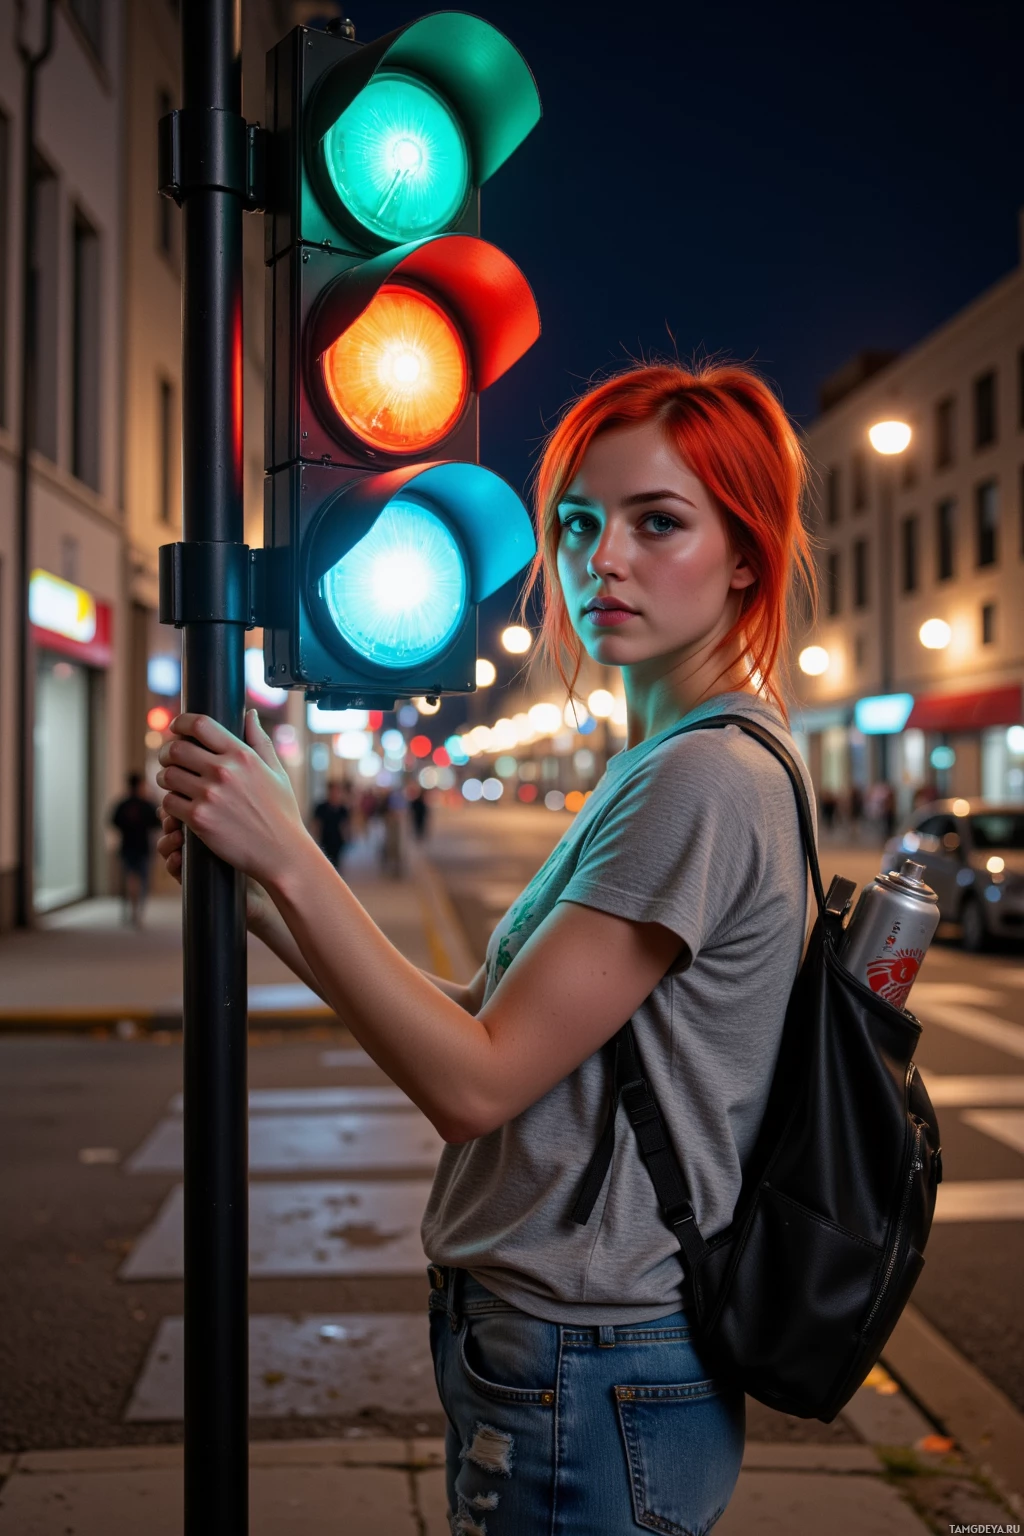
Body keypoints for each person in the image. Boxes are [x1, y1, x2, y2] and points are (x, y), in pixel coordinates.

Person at [154, 362, 816, 1533]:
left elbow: (475, 1082)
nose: (599, 557)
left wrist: (297, 859)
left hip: (590, 1353)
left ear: (747, 553)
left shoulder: (705, 779)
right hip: (573, 1348)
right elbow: (489, 1021)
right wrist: (269, 898)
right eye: (576, 523)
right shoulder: (672, 766)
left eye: (657, 521)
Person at [110, 771, 161, 927]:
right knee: (143, 879)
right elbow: (157, 823)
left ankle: (127, 909)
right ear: (140, 785)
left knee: (128, 876)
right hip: (143, 846)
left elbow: (113, 822)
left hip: (126, 845)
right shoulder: (146, 804)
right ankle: (138, 911)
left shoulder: (122, 804)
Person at [311, 780, 350, 871]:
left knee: (336, 862)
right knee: (325, 863)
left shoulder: (342, 808)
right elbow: (316, 823)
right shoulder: (321, 807)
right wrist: (314, 837)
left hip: (338, 840)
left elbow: (345, 825)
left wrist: (347, 837)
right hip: (325, 839)